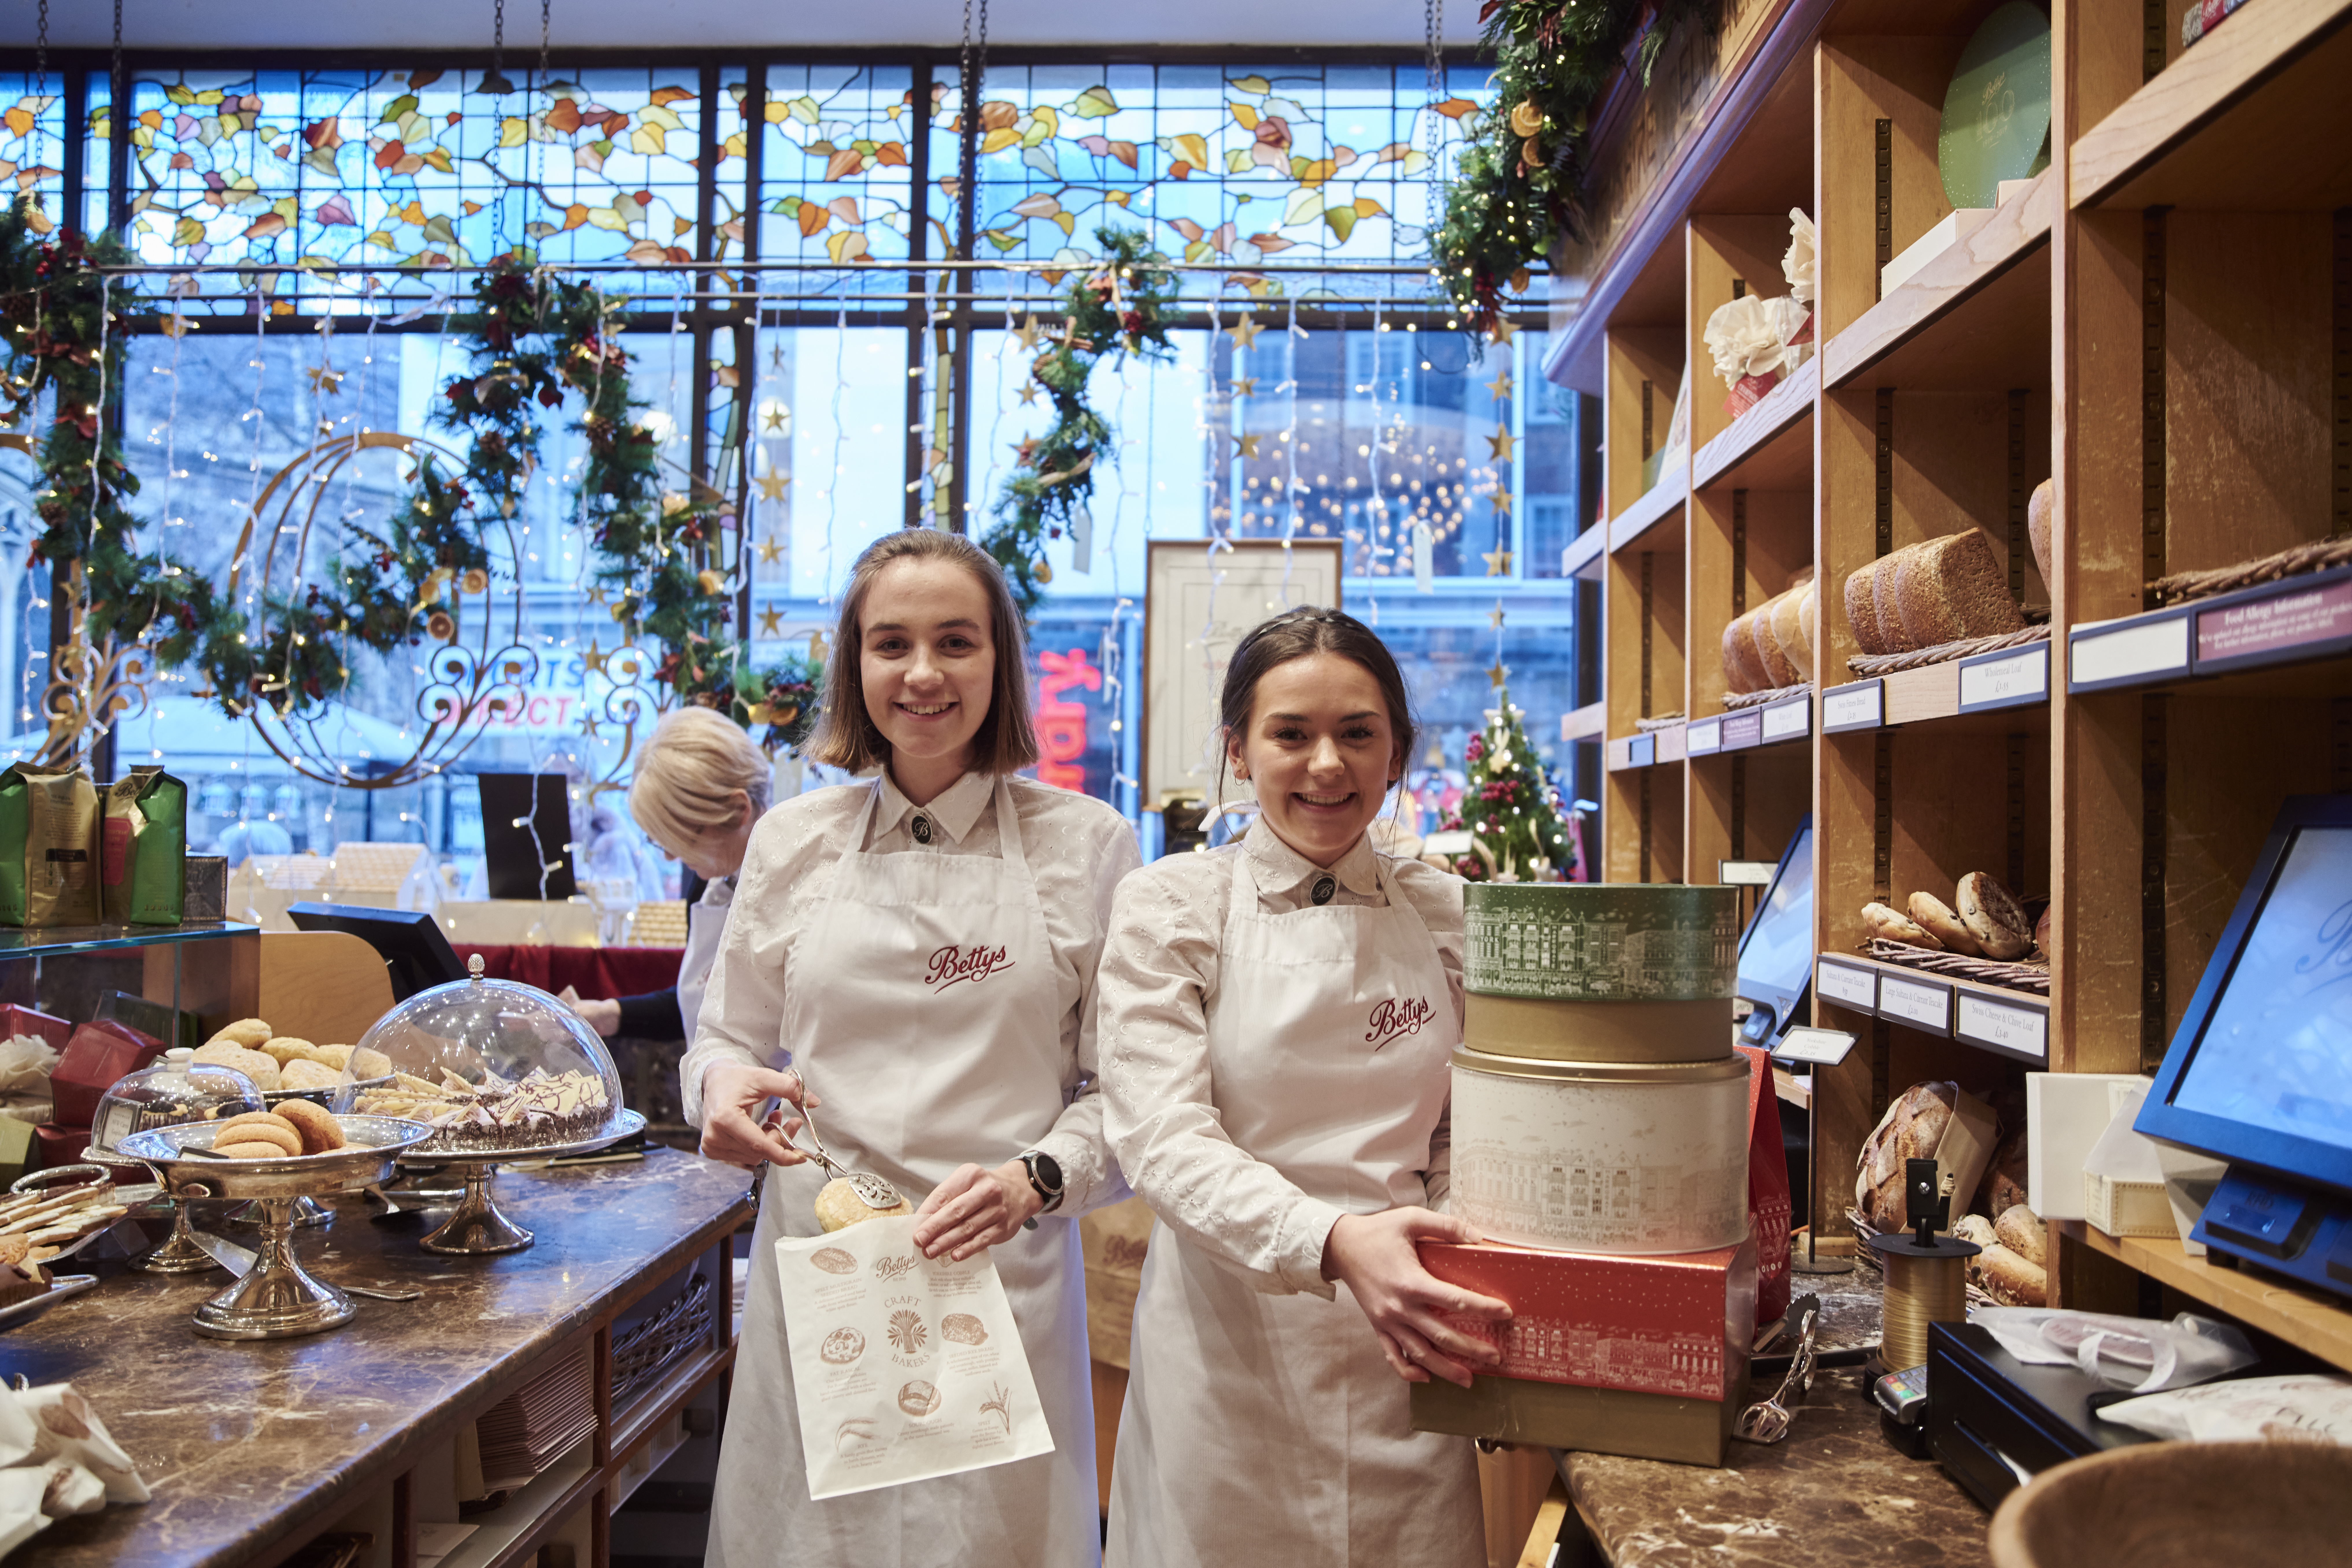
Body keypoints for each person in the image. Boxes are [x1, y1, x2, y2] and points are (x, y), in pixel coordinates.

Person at [686, 527, 1142, 1568]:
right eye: (890, 644)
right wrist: (719, 1087)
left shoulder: (1087, 846)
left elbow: (1128, 1093)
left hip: (1003, 1272)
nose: (923, 673)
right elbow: (727, 1035)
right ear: (855, 666)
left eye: (956, 642)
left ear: (1001, 661)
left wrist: (1036, 1179)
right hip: (825, 1271)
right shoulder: (791, 840)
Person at [1096, 606, 1513, 1568]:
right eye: (1290, 734)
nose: (1326, 764)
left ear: (1397, 752)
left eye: (1356, 733)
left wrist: (1441, 1256)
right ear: (1238, 751)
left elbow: (1471, 1121)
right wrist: (1332, 1242)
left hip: (1405, 1346)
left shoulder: (1448, 913)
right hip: (1230, 1358)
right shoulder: (1171, 907)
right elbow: (1162, 1137)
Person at [568, 708, 769, 1045]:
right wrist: (609, 1014)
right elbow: (702, 1005)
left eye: (681, 839)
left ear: (738, 811)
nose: (669, 856)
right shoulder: (709, 879)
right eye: (660, 841)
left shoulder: (801, 887)